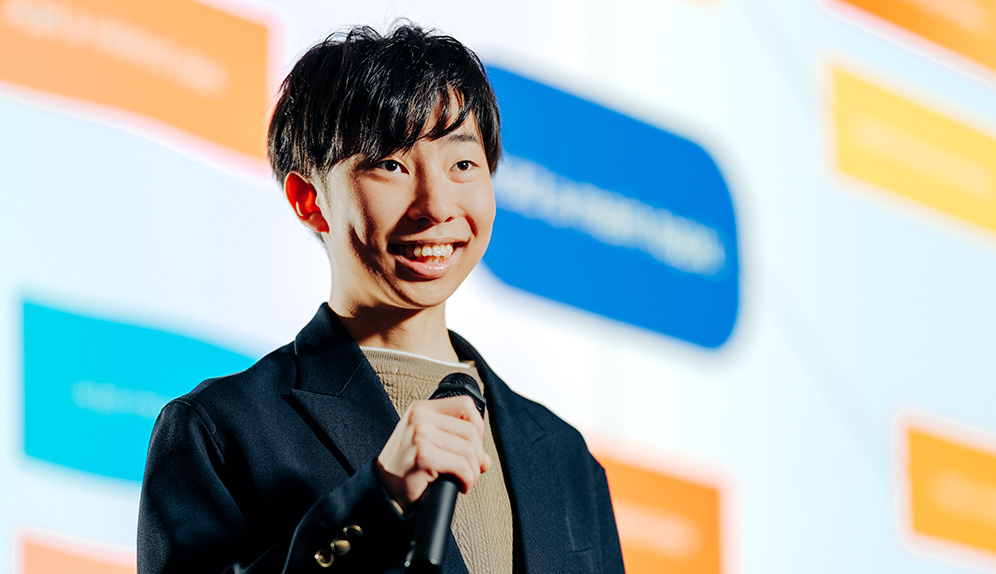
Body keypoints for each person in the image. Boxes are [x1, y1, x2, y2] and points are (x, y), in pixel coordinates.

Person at [138, 23, 624, 574]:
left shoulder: (565, 458)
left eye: (462, 164)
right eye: (391, 165)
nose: (436, 205)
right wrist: (379, 498)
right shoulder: (218, 430)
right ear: (309, 199)